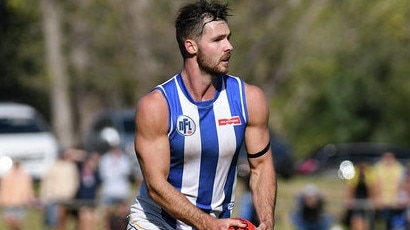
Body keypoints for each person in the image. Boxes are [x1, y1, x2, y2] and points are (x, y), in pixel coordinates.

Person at [127, 1, 277, 229]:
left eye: (228, 37)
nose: (229, 46)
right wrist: (207, 224)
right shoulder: (157, 105)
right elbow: (155, 185)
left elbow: (262, 166)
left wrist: (266, 219)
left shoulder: (250, 99)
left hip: (215, 224)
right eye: (217, 40)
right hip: (156, 223)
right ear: (191, 47)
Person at [40, 148, 80, 230]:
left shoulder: (71, 166)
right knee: (56, 219)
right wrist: (45, 196)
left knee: (64, 219)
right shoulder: (53, 166)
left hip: (68, 197)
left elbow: (75, 182)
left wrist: (71, 193)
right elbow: (47, 182)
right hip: (55, 197)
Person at [99, 145, 132, 230]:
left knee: (123, 214)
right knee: (107, 215)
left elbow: (126, 172)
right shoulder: (105, 159)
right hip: (109, 190)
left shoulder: (124, 159)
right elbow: (105, 174)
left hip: (122, 191)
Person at [0, 161, 35, 230]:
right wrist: (2, 199)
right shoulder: (7, 175)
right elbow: (3, 188)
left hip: (20, 202)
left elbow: (29, 188)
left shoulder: (25, 175)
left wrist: (31, 199)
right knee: (10, 222)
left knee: (18, 222)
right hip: (9, 202)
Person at [374, 152, 405, 229]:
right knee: (382, 221)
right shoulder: (378, 167)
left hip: (395, 200)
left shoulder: (398, 167)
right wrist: (378, 197)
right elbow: (376, 184)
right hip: (383, 200)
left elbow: (399, 184)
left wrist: (396, 198)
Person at [343, 161, 377, 230]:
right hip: (357, 199)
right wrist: (349, 199)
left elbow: (373, 187)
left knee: (367, 220)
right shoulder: (354, 172)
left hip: (367, 199)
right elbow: (351, 188)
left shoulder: (371, 172)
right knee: (357, 219)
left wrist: (373, 200)